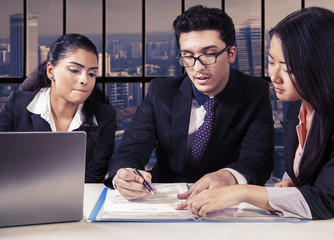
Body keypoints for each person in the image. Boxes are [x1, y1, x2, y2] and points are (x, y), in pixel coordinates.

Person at [176, 7, 334, 227]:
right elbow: (305, 177)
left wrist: (242, 192)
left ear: (320, 65)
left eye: (288, 67)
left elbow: (324, 199)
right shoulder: (297, 106)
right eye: (272, 62)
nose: (274, 77)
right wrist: (290, 183)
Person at [104, 5, 274, 200]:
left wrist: (228, 176)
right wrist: (124, 174)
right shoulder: (161, 92)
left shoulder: (254, 92)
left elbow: (260, 159)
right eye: (188, 56)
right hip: (165, 196)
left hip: (225, 198)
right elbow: (131, 148)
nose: (197, 67)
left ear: (231, 54)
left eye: (208, 54)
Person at [0, 33, 116, 183]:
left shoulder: (104, 116)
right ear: (51, 71)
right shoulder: (18, 105)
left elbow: (92, 179)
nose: (84, 80)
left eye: (91, 73)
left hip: (79, 200)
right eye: (74, 70)